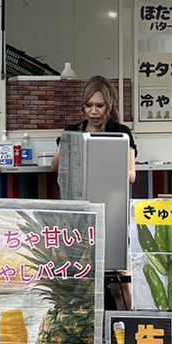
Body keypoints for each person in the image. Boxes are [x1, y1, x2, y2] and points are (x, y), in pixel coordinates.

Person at [51, 75, 138, 313]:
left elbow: (131, 175)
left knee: (118, 281)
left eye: (99, 106)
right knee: (81, 278)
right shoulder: (72, 132)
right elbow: (55, 167)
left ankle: (126, 328)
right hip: (78, 216)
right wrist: (67, 145)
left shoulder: (120, 132)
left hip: (113, 211)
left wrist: (105, 162)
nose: (94, 111)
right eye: (89, 106)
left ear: (109, 106)